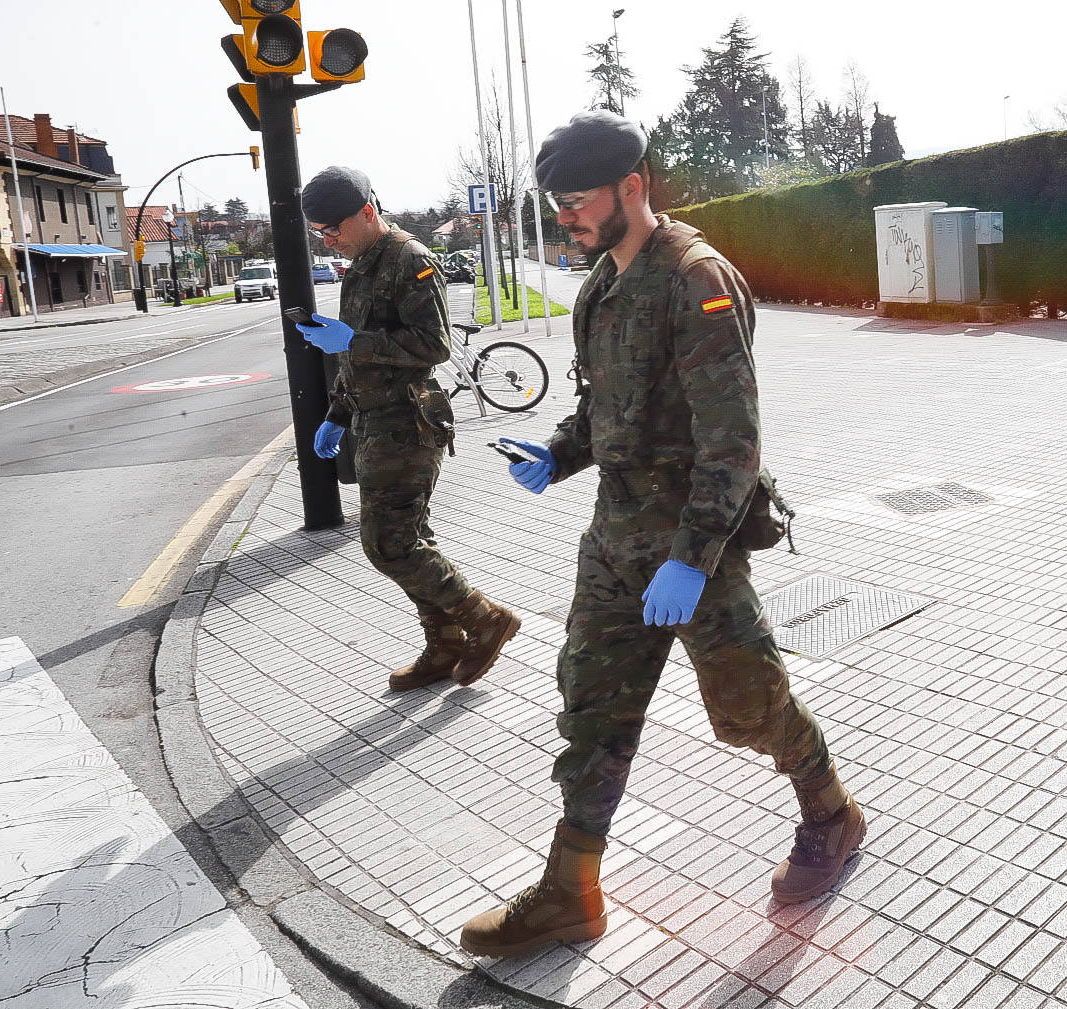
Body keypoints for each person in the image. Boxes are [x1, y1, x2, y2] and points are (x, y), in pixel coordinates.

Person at [458, 112, 866, 958]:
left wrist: (690, 558)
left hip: (693, 553)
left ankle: (831, 811)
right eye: (557, 204)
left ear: (632, 188)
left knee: (750, 708)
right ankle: (570, 891)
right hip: (613, 543)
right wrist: (558, 452)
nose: (564, 217)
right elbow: (602, 410)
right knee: (592, 711)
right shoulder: (600, 285)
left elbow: (733, 444)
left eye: (575, 201)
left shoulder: (697, 280)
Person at [297, 166, 520, 692]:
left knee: (387, 544)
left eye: (334, 230)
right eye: (320, 234)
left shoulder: (409, 259)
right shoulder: (360, 265)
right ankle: (444, 645)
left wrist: (352, 342)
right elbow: (354, 357)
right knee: (410, 537)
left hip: (408, 420)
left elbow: (434, 345)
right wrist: (336, 414)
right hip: (374, 421)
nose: (329, 241)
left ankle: (486, 619)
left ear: (368, 213)